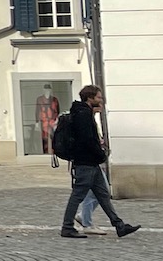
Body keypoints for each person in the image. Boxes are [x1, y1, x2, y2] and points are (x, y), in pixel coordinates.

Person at [60, 86, 140, 239]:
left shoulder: (84, 113)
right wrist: (100, 155)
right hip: (86, 162)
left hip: (91, 163)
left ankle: (119, 225)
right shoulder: (83, 114)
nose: (100, 100)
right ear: (90, 98)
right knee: (77, 195)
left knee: (103, 195)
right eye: (98, 97)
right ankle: (67, 227)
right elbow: (87, 140)